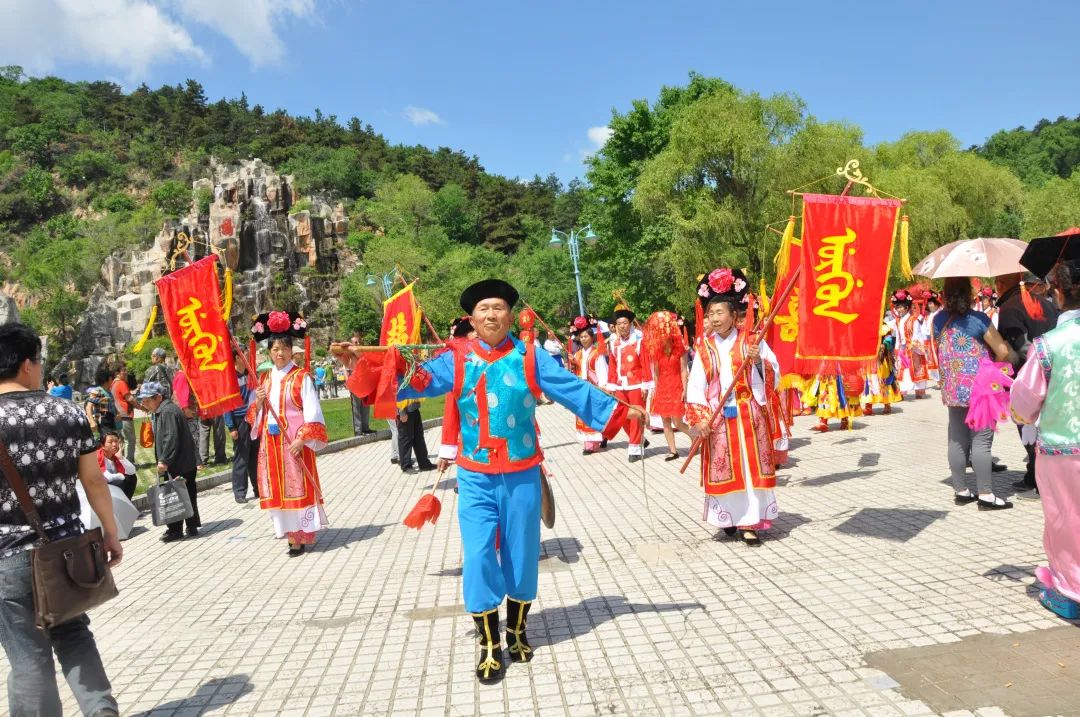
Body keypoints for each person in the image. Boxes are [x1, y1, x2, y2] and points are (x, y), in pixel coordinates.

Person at [398, 279, 639, 683]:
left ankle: (517, 630)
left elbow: (570, 387)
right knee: (478, 557)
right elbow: (412, 382)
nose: (490, 315)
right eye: (483, 310)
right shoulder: (454, 359)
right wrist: (367, 364)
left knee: (522, 554)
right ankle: (489, 644)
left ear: (511, 316)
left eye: (498, 308)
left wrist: (620, 411)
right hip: (474, 478)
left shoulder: (529, 357)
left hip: (523, 474)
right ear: (472, 319)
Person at [0, 323, 123, 717]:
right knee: (74, 634)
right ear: (25, 364)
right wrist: (111, 533)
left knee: (27, 653)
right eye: (38, 361)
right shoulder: (67, 412)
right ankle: (101, 710)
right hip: (65, 551)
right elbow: (93, 481)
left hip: (6, 557)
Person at [686, 268, 780, 547]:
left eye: (720, 313)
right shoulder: (704, 348)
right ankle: (727, 518)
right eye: (711, 313)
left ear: (734, 315)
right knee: (724, 467)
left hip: (748, 415)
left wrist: (758, 362)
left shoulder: (752, 341)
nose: (715, 319)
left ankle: (750, 522)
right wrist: (700, 417)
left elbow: (775, 372)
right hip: (717, 419)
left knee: (750, 469)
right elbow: (695, 385)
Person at [1010, 244, 1080, 607]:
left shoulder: (1049, 345)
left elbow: (1023, 403)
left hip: (1063, 450)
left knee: (1067, 522)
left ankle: (1071, 593)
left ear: (1060, 293)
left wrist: (1021, 416)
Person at [932, 277, 1017, 510]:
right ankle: (986, 495)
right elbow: (1002, 351)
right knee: (981, 440)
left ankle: (961, 491)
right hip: (980, 389)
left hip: (952, 388)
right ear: (969, 294)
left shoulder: (937, 320)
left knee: (956, 438)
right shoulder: (979, 319)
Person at [248, 311, 328, 556]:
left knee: (297, 488)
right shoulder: (265, 378)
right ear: (269, 352)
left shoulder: (300, 377)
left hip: (293, 443)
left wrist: (302, 438)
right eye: (274, 349)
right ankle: (287, 533)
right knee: (279, 490)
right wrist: (259, 403)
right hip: (271, 444)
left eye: (284, 348)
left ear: (292, 350)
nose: (279, 353)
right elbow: (253, 415)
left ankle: (300, 534)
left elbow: (313, 412)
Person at [994, 271, 1060, 494]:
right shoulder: (1047, 303)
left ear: (1001, 284)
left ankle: (1037, 476)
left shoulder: (1009, 308)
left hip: (1027, 374)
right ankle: (1038, 473)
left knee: (1027, 427)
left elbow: (1018, 347)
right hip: (1054, 370)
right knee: (1046, 426)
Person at [137, 381, 202, 540]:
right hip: (183, 461)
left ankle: (175, 530)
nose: (144, 404)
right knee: (186, 493)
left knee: (173, 494)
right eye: (143, 401)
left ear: (158, 397)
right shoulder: (165, 409)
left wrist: (164, 460)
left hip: (178, 463)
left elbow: (170, 438)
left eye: (147, 400)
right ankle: (191, 526)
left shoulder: (167, 412)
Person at [605, 306, 653, 462]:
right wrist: (611, 385)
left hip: (636, 385)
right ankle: (640, 440)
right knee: (620, 416)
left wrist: (646, 385)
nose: (622, 326)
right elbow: (612, 365)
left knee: (636, 417)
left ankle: (634, 449)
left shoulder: (639, 341)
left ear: (630, 324)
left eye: (625, 323)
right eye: (619, 323)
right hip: (620, 386)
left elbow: (646, 364)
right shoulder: (614, 343)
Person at [643, 311, 691, 461]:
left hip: (676, 386)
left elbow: (684, 371)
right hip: (663, 388)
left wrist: (685, 389)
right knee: (665, 421)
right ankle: (673, 450)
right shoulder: (656, 351)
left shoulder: (680, 349)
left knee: (678, 421)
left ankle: (695, 438)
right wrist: (656, 391)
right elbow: (656, 374)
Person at [567, 316, 609, 454]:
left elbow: (602, 370)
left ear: (592, 338)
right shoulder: (578, 354)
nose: (584, 339)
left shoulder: (597, 353)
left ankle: (592, 443)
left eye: (586, 336)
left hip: (594, 387)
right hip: (581, 388)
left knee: (594, 414)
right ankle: (590, 440)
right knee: (583, 415)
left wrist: (603, 386)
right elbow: (574, 372)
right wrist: (572, 363)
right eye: (582, 337)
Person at [223, 348, 259, 503]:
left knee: (255, 455)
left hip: (254, 418)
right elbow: (226, 404)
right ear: (237, 357)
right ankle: (239, 492)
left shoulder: (250, 373)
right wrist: (231, 427)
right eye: (244, 353)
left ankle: (259, 488)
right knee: (242, 457)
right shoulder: (230, 378)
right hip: (239, 420)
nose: (248, 356)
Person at [886, 289, 930, 399]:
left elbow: (917, 334)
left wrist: (913, 344)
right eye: (897, 307)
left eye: (901, 307)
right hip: (902, 349)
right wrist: (897, 349)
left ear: (906, 307)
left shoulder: (913, 320)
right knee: (903, 370)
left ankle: (918, 391)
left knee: (914, 369)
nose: (899, 309)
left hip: (912, 349)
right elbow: (892, 331)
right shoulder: (897, 321)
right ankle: (902, 391)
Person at [331, 332, 376, 437]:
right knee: (356, 407)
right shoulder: (348, 356)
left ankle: (366, 427)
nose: (358, 343)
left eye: (358, 341)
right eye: (355, 342)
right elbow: (346, 370)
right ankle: (358, 430)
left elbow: (363, 358)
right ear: (351, 344)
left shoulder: (361, 353)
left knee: (366, 406)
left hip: (364, 383)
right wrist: (349, 384)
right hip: (355, 383)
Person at [171, 369, 203, 469]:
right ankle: (196, 462)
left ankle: (196, 461)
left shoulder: (179, 375)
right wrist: (186, 408)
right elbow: (182, 393)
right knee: (193, 437)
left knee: (191, 437)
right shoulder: (182, 376)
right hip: (186, 412)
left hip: (185, 411)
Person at [97, 430, 137, 499]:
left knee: (131, 478)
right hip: (99, 488)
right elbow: (106, 478)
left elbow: (132, 471)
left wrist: (121, 458)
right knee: (119, 482)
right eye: (110, 442)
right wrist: (119, 476)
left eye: (116, 441)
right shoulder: (96, 456)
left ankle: (126, 502)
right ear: (102, 445)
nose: (114, 444)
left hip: (113, 486)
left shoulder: (116, 456)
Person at [112, 363, 137, 465]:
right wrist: (142, 407)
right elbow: (130, 398)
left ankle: (120, 463)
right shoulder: (121, 383)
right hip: (125, 415)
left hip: (118, 416)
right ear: (117, 373)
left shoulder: (113, 383)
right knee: (130, 440)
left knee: (121, 440)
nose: (126, 372)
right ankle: (128, 462)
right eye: (124, 370)